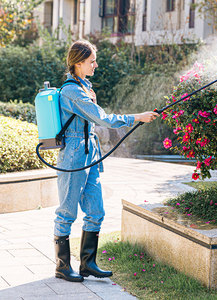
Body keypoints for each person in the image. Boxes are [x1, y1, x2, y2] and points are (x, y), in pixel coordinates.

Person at [54, 40, 159, 282]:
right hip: (73, 154)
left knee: (96, 210)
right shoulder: (72, 91)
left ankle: (88, 264)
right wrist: (137, 117)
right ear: (78, 62)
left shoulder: (85, 87)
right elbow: (103, 119)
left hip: (90, 152)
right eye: (91, 61)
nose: (95, 64)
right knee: (67, 211)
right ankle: (62, 266)